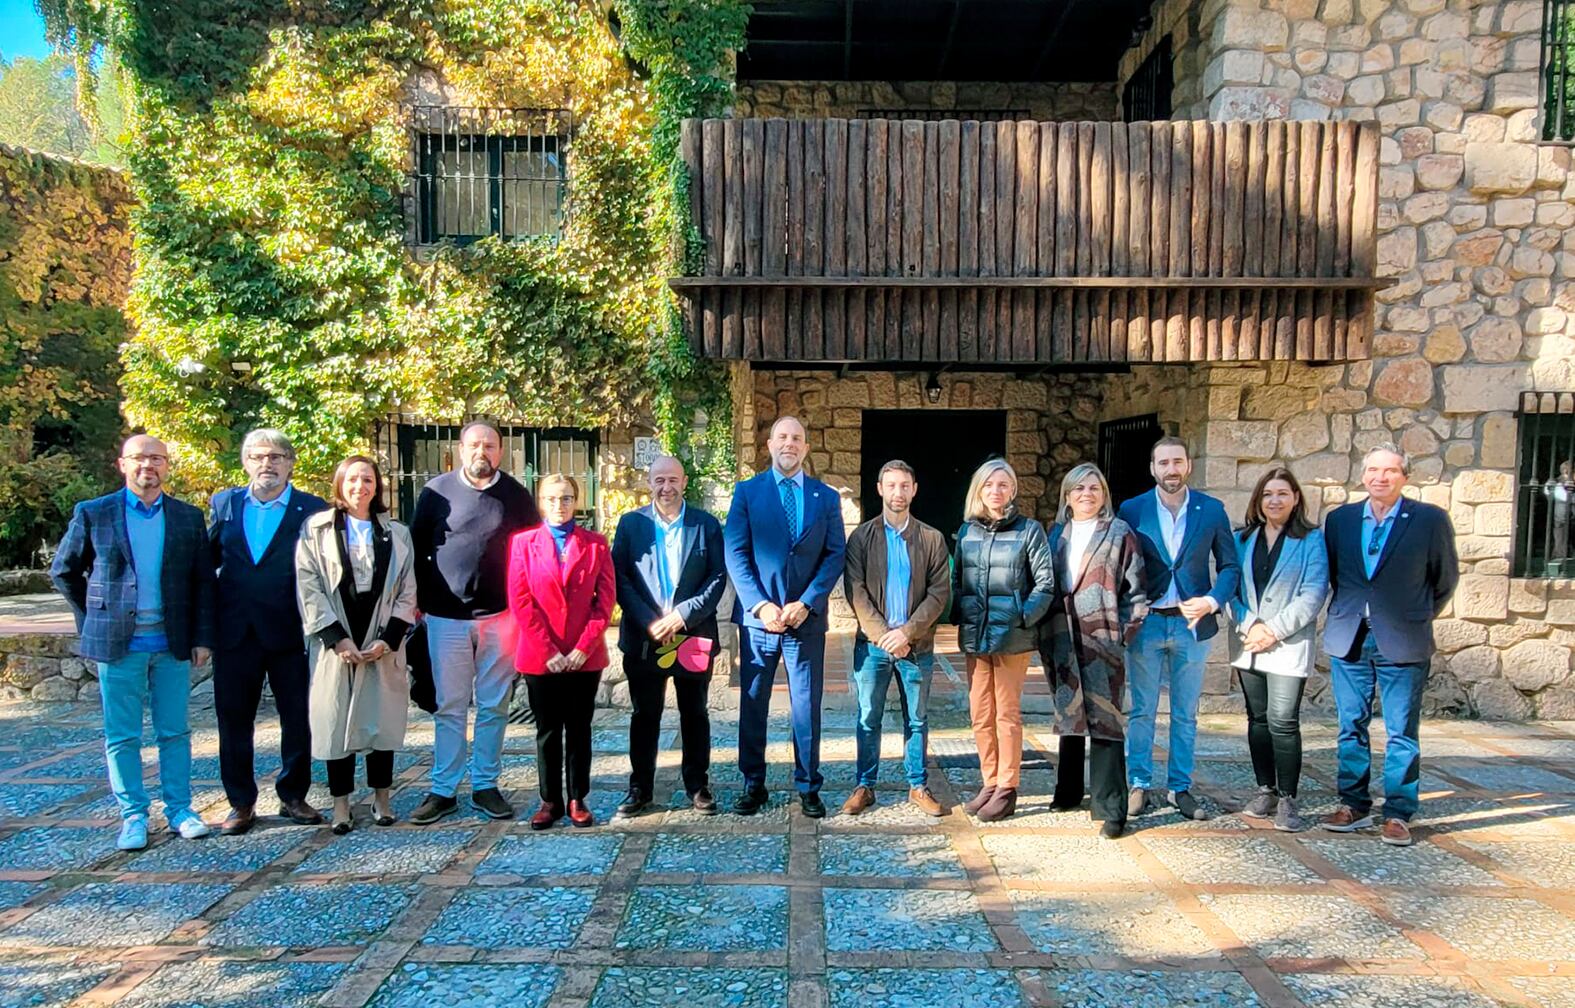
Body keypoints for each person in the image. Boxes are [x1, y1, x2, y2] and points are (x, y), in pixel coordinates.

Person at [50, 434, 216, 851]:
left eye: (157, 458)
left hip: (171, 643)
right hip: (118, 647)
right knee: (122, 736)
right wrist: (93, 620)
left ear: (167, 466)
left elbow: (202, 583)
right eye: (140, 458)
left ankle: (180, 809)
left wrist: (201, 637)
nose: (149, 466)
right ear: (122, 464)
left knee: (175, 731)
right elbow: (64, 571)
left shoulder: (187, 517)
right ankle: (133, 816)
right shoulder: (94, 513)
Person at [1321, 444, 1458, 847]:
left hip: (1403, 639)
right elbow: (1334, 574)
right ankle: (1353, 803)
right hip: (1350, 638)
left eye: (1390, 471)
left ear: (1405, 477)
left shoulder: (1429, 520)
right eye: (1373, 471)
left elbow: (1444, 579)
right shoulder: (1341, 520)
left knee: (1401, 731)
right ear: (1362, 475)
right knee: (1350, 726)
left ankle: (1398, 812)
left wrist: (1413, 615)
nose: (1380, 478)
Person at [408, 420, 539, 825]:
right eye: (475, 445)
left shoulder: (516, 496)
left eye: (490, 446)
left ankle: (485, 785)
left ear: (501, 451)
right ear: (461, 450)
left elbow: (531, 552)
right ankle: (443, 789)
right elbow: (416, 546)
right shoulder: (436, 492)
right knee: (448, 706)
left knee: (493, 704)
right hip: (445, 617)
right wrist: (416, 602)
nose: (482, 452)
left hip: (501, 617)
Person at [724, 416, 847, 819]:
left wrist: (808, 602)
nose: (789, 444)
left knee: (806, 706)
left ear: (806, 448)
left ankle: (808, 785)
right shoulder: (747, 493)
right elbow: (736, 554)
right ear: (770, 445)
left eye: (797, 437)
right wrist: (760, 604)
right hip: (760, 620)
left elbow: (834, 556)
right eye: (782, 437)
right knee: (754, 702)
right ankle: (753, 783)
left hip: (804, 621)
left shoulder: (825, 498)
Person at [208, 429, 328, 834]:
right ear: (245, 462)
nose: (267, 464)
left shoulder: (311, 509)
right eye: (258, 456)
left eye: (276, 456)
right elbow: (207, 564)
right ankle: (240, 803)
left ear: (291, 463)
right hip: (235, 632)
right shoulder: (224, 504)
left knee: (297, 718)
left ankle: (293, 795)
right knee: (233, 720)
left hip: (290, 631)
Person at [1117, 436, 1240, 822]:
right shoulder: (1132, 510)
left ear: (1188, 465)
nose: (1171, 469)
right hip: (1148, 624)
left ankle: (1179, 787)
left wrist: (1213, 601)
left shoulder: (1212, 510)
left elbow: (1230, 567)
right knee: (1142, 711)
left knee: (1186, 713)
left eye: (1177, 462)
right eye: (1163, 463)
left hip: (1192, 625)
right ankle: (1138, 783)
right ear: (1153, 468)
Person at [295, 456, 417, 834]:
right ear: (339, 484)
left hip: (382, 641)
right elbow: (309, 586)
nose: (359, 486)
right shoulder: (316, 529)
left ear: (376, 485)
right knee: (337, 723)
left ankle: (382, 799)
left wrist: (388, 640)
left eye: (367, 479)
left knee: (382, 721)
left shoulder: (396, 532)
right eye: (352, 479)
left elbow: (408, 589)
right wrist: (336, 639)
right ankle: (341, 805)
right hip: (338, 640)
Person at [611, 456, 728, 818]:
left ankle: (698, 784)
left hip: (691, 636)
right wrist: (650, 620)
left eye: (673, 479)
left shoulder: (706, 525)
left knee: (695, 712)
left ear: (685, 481)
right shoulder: (631, 525)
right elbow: (620, 579)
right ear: (649, 483)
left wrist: (682, 615)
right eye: (659, 480)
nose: (666, 487)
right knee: (645, 714)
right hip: (646, 638)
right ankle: (640, 787)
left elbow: (718, 578)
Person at [1040, 463, 1147, 839]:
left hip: (1102, 638)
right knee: (1069, 714)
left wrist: (1123, 632)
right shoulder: (1056, 534)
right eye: (1078, 488)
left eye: (1093, 488)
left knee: (1106, 720)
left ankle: (1111, 807)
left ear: (1104, 495)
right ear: (1067, 496)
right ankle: (1068, 792)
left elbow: (1135, 591)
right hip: (1062, 636)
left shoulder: (1119, 533)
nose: (1086, 494)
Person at [840, 460, 952, 818]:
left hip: (916, 646)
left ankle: (918, 785)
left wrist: (906, 633)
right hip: (872, 646)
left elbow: (939, 593)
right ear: (879, 489)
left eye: (904, 485)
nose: (898, 493)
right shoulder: (861, 537)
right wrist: (885, 635)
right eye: (891, 486)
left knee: (917, 719)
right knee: (868, 716)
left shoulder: (932, 538)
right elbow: (855, 590)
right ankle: (864, 786)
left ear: (914, 489)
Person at [507, 474, 616, 829]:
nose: (560, 505)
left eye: (567, 498)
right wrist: (548, 649)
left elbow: (605, 602)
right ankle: (549, 799)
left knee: (580, 729)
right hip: (542, 657)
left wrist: (584, 647)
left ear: (577, 501)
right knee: (548, 730)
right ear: (541, 501)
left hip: (585, 658)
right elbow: (521, 601)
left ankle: (577, 798)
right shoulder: (523, 544)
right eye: (552, 499)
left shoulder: (596, 544)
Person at [1227, 466, 1329, 833]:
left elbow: (1313, 593)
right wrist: (1248, 624)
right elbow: (1230, 586)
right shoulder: (1242, 539)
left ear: (1296, 498)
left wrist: (1272, 630)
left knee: (1282, 720)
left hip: (1286, 643)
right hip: (1248, 641)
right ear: (1259, 499)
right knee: (1256, 720)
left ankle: (1289, 798)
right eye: (1268, 494)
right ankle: (1265, 789)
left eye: (1282, 493)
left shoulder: (1312, 539)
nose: (1274, 500)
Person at [953, 459, 1055, 822]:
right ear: (979, 490)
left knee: (1007, 713)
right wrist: (957, 616)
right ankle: (990, 781)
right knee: (981, 713)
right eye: (989, 485)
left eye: (1003, 484)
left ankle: (1008, 787)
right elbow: (957, 580)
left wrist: (1022, 617)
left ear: (1013, 490)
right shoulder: (967, 533)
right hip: (976, 636)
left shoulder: (1029, 531)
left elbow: (1045, 584)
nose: (996, 491)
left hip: (1012, 638)